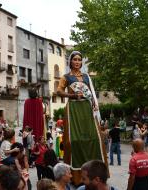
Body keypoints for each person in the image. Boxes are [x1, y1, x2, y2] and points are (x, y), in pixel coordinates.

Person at [57, 51, 106, 185]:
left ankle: (96, 174)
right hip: (73, 109)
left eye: (79, 60)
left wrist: (95, 104)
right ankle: (77, 177)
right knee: (74, 141)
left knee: (95, 139)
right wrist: (72, 96)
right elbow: (58, 91)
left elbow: (90, 93)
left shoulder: (86, 76)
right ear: (70, 62)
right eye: (75, 60)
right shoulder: (66, 77)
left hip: (87, 107)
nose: (77, 62)